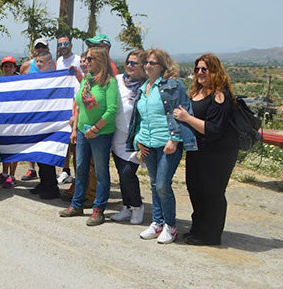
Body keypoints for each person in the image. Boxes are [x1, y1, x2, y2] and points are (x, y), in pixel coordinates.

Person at [126, 48, 196, 244]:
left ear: (163, 66)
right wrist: (137, 140)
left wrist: (174, 139)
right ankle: (157, 222)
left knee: (163, 185)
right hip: (148, 144)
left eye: (152, 63)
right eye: (146, 62)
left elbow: (183, 112)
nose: (147, 66)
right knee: (155, 184)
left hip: (167, 145)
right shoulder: (142, 88)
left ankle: (171, 226)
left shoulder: (173, 86)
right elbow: (139, 119)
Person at [173, 53, 239, 246]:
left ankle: (211, 234)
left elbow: (214, 129)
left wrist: (187, 118)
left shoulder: (220, 96)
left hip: (218, 152)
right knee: (195, 188)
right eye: (197, 69)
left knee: (212, 192)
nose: (200, 73)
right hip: (197, 149)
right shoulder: (196, 93)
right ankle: (198, 228)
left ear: (215, 71)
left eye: (205, 69)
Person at [59, 47, 118, 226]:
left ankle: (98, 209)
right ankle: (77, 204)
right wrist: (76, 129)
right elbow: (79, 106)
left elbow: (111, 110)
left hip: (101, 133)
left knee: (100, 172)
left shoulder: (109, 82)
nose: (86, 62)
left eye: (90, 59)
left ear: (100, 60)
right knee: (81, 169)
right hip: (84, 132)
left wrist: (96, 127)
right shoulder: (87, 80)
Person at [109, 49, 146, 224]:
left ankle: (138, 206)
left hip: (135, 138)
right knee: (120, 172)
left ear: (143, 67)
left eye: (134, 63)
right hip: (117, 135)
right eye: (128, 62)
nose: (129, 66)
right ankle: (127, 206)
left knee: (127, 173)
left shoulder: (146, 87)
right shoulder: (116, 81)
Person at [27, 51, 61, 199]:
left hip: (49, 122)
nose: (39, 64)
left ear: (50, 63)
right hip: (37, 120)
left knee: (47, 156)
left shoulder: (55, 78)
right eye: (37, 61)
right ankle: (43, 182)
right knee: (39, 155)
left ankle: (52, 187)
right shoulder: (35, 78)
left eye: (42, 61)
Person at [20, 38, 55, 181]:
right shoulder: (26, 66)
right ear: (34, 49)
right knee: (33, 143)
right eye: (38, 47)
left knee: (46, 147)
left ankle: (49, 182)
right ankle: (35, 173)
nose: (40, 49)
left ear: (47, 48)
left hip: (48, 112)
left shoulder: (54, 65)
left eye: (43, 47)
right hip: (32, 111)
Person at [55, 34, 83, 185]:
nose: (63, 47)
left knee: (75, 143)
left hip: (77, 104)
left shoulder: (78, 60)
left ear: (71, 45)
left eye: (65, 44)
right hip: (63, 105)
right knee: (64, 141)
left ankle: (79, 176)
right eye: (60, 45)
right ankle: (66, 171)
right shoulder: (59, 61)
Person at [0, 56, 19, 188]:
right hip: (3, 119)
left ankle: (12, 175)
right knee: (4, 146)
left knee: (14, 147)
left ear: (14, 68)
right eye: (5, 66)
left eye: (10, 66)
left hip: (15, 119)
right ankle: (4, 173)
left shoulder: (19, 81)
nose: (8, 68)